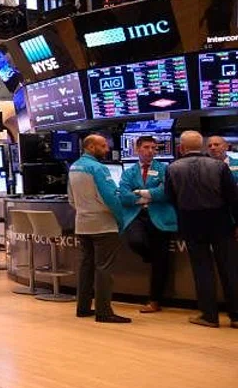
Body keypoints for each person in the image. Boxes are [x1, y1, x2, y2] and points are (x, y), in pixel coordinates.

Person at [165, 131, 238, 329]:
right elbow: (233, 197)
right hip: (220, 221)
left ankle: (209, 315)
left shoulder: (172, 168)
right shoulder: (219, 166)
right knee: (230, 268)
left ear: (181, 148)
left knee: (202, 269)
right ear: (202, 146)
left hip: (191, 223)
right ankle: (236, 316)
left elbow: (170, 197)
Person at [67, 134, 131, 323]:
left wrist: (84, 211)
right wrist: (121, 219)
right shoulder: (99, 168)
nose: (107, 149)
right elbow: (111, 198)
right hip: (103, 225)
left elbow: (71, 199)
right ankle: (104, 312)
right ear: (91, 147)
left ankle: (83, 307)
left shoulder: (73, 167)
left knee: (86, 267)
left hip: (82, 224)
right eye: (103, 146)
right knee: (104, 269)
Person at [118, 136, 177, 313]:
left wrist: (140, 193)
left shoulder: (165, 169)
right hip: (137, 216)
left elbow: (165, 193)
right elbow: (124, 196)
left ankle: (154, 300)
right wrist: (150, 196)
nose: (150, 151)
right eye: (146, 147)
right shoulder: (129, 172)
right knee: (135, 241)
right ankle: (149, 256)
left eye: (153, 148)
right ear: (137, 149)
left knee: (161, 261)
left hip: (160, 217)